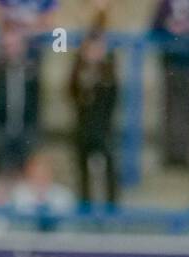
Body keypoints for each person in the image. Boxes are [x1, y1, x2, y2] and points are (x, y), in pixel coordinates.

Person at [150, 0, 189, 169]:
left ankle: (185, 155)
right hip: (170, 62)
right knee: (169, 107)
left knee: (188, 107)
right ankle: (169, 155)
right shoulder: (165, 4)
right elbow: (155, 26)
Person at [69, 16, 118, 207]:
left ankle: (110, 205)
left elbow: (112, 98)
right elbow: (72, 93)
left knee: (108, 167)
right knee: (83, 169)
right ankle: (85, 202)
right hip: (84, 127)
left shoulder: (108, 73)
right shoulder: (79, 72)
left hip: (103, 127)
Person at [0, 22, 40, 177]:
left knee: (24, 175)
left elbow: (36, 102)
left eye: (15, 45)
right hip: (1, 129)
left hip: (24, 129)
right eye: (7, 46)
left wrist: (34, 128)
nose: (11, 50)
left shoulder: (31, 71)